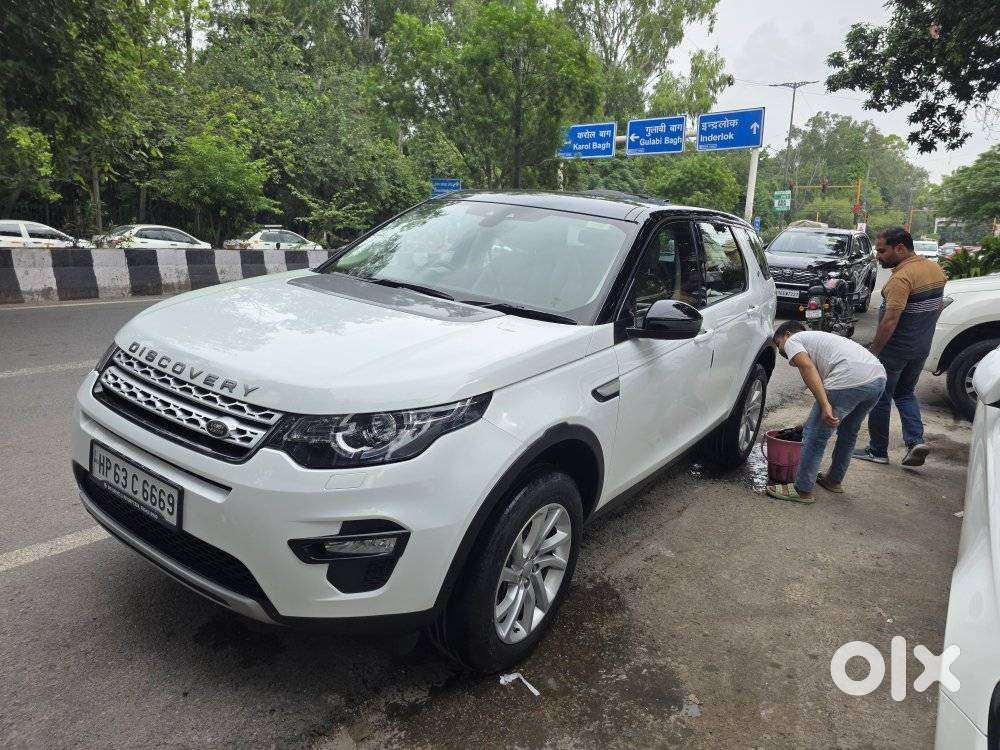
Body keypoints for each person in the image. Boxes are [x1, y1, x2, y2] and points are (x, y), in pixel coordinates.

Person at [854, 226, 947, 467]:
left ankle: (877, 451)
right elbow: (937, 307)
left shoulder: (902, 278)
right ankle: (916, 441)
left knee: (880, 397)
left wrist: (874, 351)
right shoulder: (934, 269)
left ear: (900, 248)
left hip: (895, 350)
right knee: (905, 393)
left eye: (882, 251)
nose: (878, 256)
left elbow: (891, 320)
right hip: (920, 347)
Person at [766, 321, 886, 503]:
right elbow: (824, 387)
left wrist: (825, 405)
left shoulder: (793, 340)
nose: (781, 350)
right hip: (877, 378)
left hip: (851, 378)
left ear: (787, 334)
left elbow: (807, 368)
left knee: (815, 436)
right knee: (848, 431)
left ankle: (802, 489)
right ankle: (833, 480)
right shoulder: (820, 343)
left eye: (778, 343)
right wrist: (807, 422)